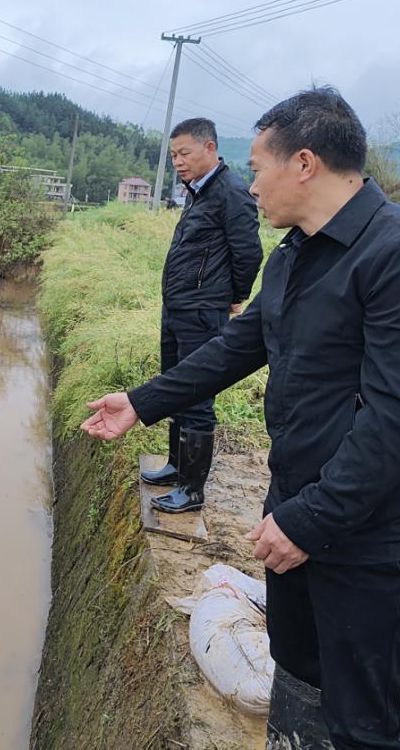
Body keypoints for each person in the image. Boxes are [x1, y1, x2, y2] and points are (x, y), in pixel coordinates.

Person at [81, 87, 400, 749]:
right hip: (294, 502)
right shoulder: (293, 255)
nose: (250, 185)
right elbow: (241, 344)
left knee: (360, 719)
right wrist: (142, 401)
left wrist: (309, 522)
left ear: (304, 163)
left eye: (256, 168)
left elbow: (398, 421)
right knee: (297, 672)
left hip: (372, 529)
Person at [140, 117, 262, 514]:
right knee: (176, 387)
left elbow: (248, 253)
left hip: (201, 311)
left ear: (210, 148)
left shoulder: (231, 193)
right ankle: (176, 466)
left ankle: (192, 490)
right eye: (173, 154)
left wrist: (234, 296)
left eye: (185, 153)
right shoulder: (198, 192)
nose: (178, 161)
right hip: (177, 308)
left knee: (196, 398)